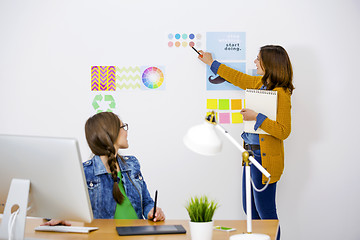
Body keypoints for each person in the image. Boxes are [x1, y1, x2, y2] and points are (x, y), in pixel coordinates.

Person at [198, 45, 294, 240]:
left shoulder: (281, 94)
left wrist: (257, 117)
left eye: (258, 59)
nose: (255, 62)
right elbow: (238, 78)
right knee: (249, 209)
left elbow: (284, 131)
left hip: (264, 160)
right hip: (249, 157)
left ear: (270, 64)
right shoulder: (260, 84)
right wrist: (211, 63)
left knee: (265, 213)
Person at [44, 112, 165, 225]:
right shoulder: (84, 172)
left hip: (136, 234)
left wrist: (152, 211)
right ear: (111, 133)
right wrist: (61, 215)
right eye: (123, 127)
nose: (126, 132)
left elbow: (147, 202)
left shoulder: (132, 164)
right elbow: (51, 209)